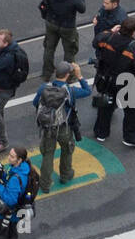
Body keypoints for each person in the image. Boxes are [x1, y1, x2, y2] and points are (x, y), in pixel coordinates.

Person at [32, 61, 91, 193]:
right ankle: (65, 175)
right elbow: (88, 91)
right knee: (67, 150)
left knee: (48, 155)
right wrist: (80, 76)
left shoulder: (44, 88)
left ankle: (45, 184)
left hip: (47, 128)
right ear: (67, 74)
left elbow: (35, 102)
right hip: (63, 128)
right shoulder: (70, 90)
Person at [90, 15, 135, 145]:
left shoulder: (107, 38)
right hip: (126, 84)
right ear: (133, 32)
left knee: (105, 107)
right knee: (133, 111)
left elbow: (95, 42)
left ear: (119, 28)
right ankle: (130, 138)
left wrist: (110, 31)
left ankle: (101, 133)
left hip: (106, 79)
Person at [38, 0, 85, 81]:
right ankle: (69, 76)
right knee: (69, 52)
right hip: (67, 27)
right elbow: (82, 9)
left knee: (49, 49)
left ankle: (46, 73)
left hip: (51, 23)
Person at [0, 146, 34, 239]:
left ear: (19, 160)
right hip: (15, 217)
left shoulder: (15, 179)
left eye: (12, 157)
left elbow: (10, 200)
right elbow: (12, 184)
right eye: (9, 155)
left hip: (6, 217)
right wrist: (2, 174)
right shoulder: (23, 169)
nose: (9, 158)